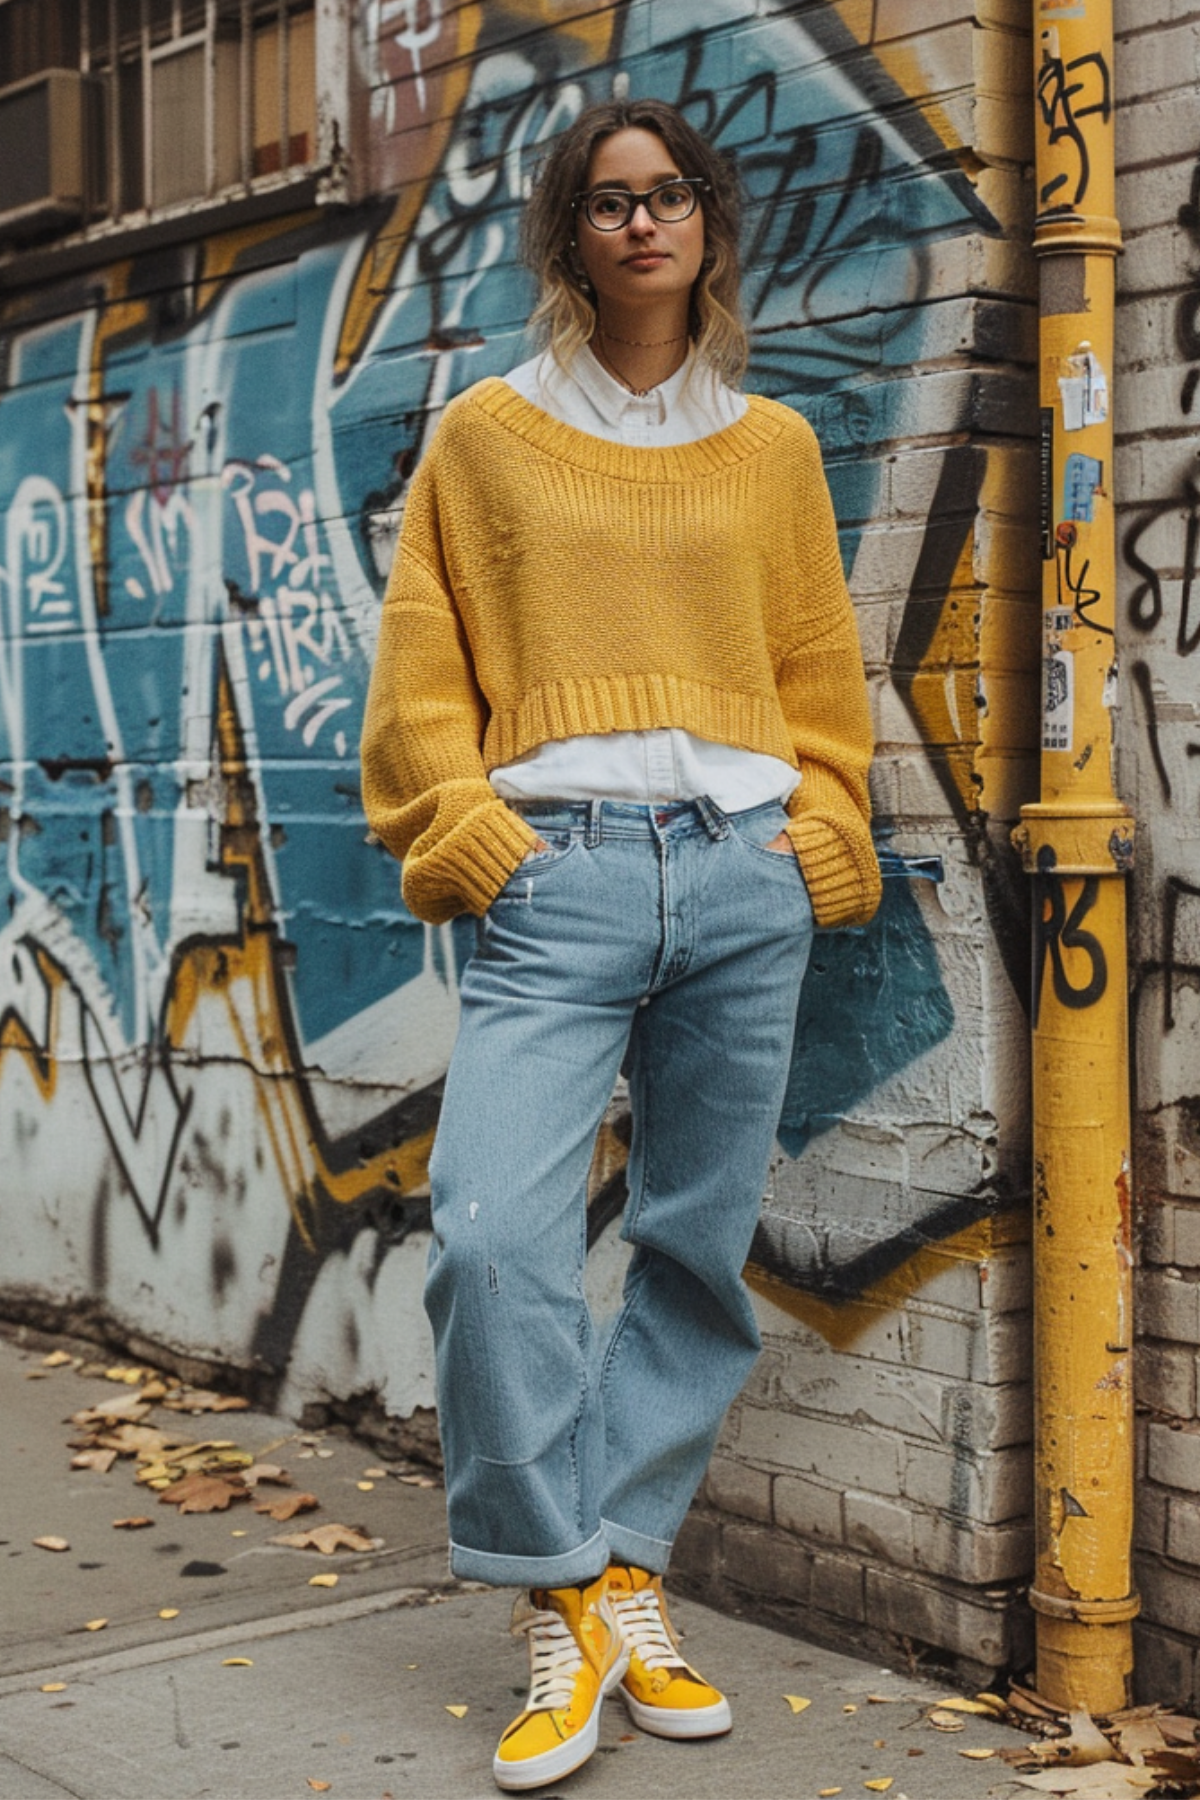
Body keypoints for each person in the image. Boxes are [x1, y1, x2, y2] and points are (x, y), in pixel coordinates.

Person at [361, 96, 881, 1794]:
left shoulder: (775, 450)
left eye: (668, 197)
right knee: (493, 1238)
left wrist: (820, 831)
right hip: (556, 880)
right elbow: (421, 672)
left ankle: (624, 1571)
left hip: (742, 880)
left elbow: (818, 677)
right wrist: (469, 830)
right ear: (568, 234)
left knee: (692, 1246)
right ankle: (554, 1581)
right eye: (607, 200)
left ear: (711, 223)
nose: (642, 224)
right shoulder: (489, 436)